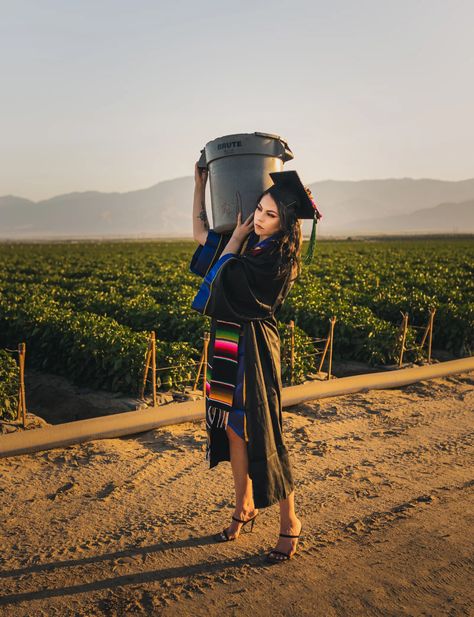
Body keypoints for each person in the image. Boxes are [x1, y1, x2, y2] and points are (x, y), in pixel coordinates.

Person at [189, 161, 321, 563]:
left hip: (255, 346)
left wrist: (235, 240)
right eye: (259, 210)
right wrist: (201, 184)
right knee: (232, 427)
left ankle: (290, 521)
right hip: (228, 342)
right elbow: (200, 238)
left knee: (263, 431)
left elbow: (224, 271)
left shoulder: (278, 262)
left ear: (286, 223)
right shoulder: (250, 244)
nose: (260, 220)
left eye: (270, 215)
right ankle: (243, 506)